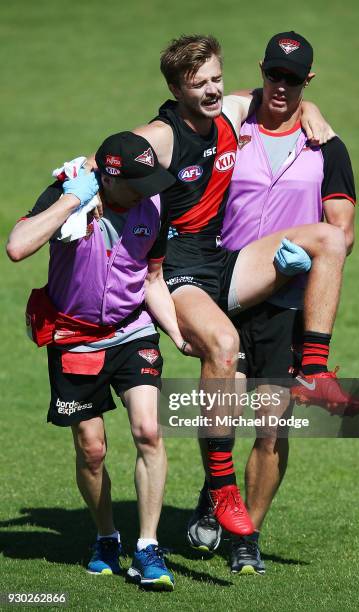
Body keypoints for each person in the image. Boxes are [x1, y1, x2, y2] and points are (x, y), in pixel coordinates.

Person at [129, 34, 359, 539]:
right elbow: (144, 144)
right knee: (225, 383)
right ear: (261, 72)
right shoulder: (227, 121)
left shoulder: (324, 144)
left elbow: (342, 232)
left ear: (307, 81)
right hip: (204, 269)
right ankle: (217, 491)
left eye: (294, 79)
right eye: (275, 75)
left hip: (267, 286)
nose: (282, 85)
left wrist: (313, 112)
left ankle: (247, 535)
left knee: (272, 427)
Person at [6, 131, 192, 591]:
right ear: (108, 178)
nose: (151, 189)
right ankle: (106, 537)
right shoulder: (69, 194)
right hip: (74, 338)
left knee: (149, 431)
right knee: (92, 451)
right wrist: (72, 202)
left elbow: (151, 278)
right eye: (139, 181)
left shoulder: (155, 202)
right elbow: (17, 247)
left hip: (131, 330)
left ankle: (148, 548)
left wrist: (177, 333)